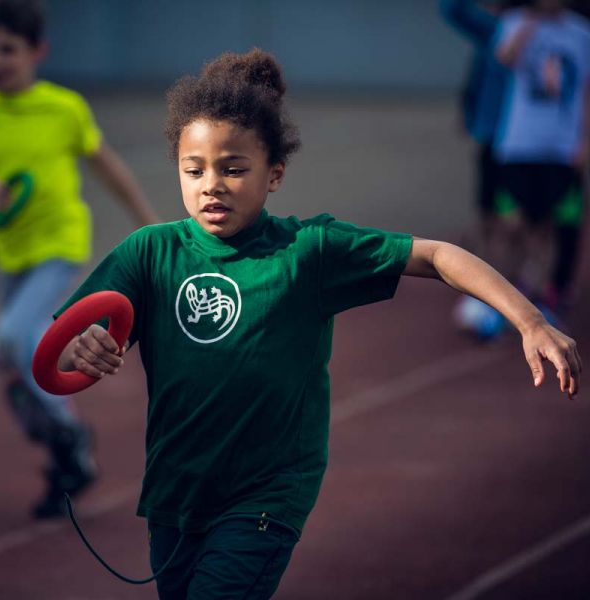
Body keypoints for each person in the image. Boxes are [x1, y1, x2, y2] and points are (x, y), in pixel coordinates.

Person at [51, 49, 581, 599]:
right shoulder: (149, 252)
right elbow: (63, 348)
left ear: (274, 173)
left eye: (234, 169)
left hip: (264, 497)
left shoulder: (309, 251)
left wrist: (529, 321)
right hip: (175, 496)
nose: (212, 184)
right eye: (195, 170)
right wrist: (82, 351)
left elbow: (438, 255)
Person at [0, 0, 159, 519]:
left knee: (15, 338)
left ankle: (70, 433)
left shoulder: (64, 108)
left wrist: (147, 220)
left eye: (8, 49)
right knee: (7, 355)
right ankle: (64, 452)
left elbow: (108, 167)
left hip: (60, 244)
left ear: (38, 52)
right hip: (11, 251)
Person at [493, 0, 590, 325]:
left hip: (560, 146)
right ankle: (504, 295)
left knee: (549, 226)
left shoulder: (580, 31)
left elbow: (587, 91)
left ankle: (544, 299)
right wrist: (529, 26)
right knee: (512, 224)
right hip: (519, 143)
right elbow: (504, 58)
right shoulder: (516, 21)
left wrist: (584, 141)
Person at [441, 0, 523, 339]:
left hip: (524, 144)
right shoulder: (494, 29)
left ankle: (520, 296)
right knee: (488, 218)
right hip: (492, 136)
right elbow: (452, 9)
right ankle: (487, 296)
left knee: (519, 223)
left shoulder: (534, 26)